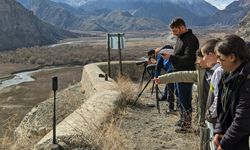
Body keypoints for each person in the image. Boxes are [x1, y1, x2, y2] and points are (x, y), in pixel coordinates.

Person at [161, 17, 199, 133]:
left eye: (175, 31)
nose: (174, 34)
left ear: (182, 27)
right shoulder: (181, 38)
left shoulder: (191, 40)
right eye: (172, 31)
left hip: (185, 74)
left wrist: (171, 57)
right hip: (178, 73)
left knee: (185, 100)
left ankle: (186, 126)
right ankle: (182, 120)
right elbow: (180, 54)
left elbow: (188, 60)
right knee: (180, 97)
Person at [213, 34, 250, 150]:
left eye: (220, 57)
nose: (217, 61)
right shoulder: (227, 75)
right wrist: (219, 129)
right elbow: (222, 106)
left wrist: (225, 143)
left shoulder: (246, 80)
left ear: (232, 57)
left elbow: (243, 118)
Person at [148, 45, 176, 113]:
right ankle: (178, 105)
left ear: (153, 53)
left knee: (170, 88)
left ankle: (171, 107)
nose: (153, 58)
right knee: (175, 88)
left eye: (151, 57)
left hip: (170, 70)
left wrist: (155, 77)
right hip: (177, 68)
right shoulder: (169, 51)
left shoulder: (159, 54)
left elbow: (158, 67)